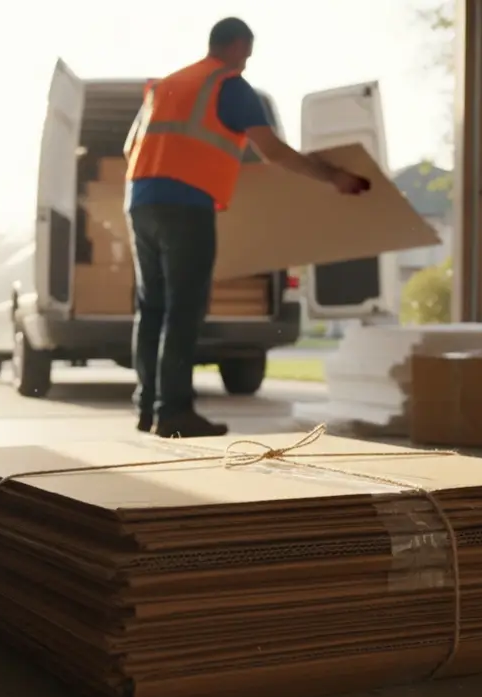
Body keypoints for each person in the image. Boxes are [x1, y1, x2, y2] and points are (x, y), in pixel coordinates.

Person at [123, 17, 370, 438]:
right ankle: (174, 412)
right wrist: (333, 176)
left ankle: (148, 408)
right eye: (248, 54)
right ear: (238, 46)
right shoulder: (229, 85)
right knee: (184, 309)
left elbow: (133, 146)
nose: (248, 63)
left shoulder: (167, 85)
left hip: (141, 203)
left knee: (153, 309)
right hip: (186, 206)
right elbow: (272, 150)